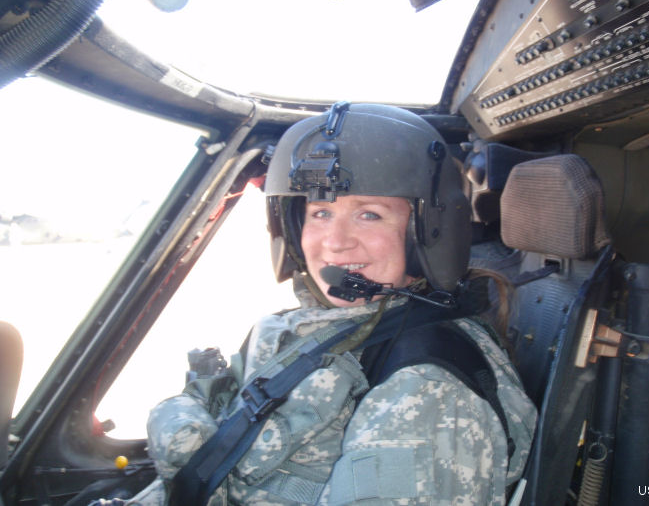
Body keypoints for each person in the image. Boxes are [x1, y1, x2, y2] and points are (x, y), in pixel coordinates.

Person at [114, 102, 537, 505]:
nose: (335, 243)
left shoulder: (425, 388)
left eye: (368, 214)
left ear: (426, 233)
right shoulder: (311, 327)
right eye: (320, 213)